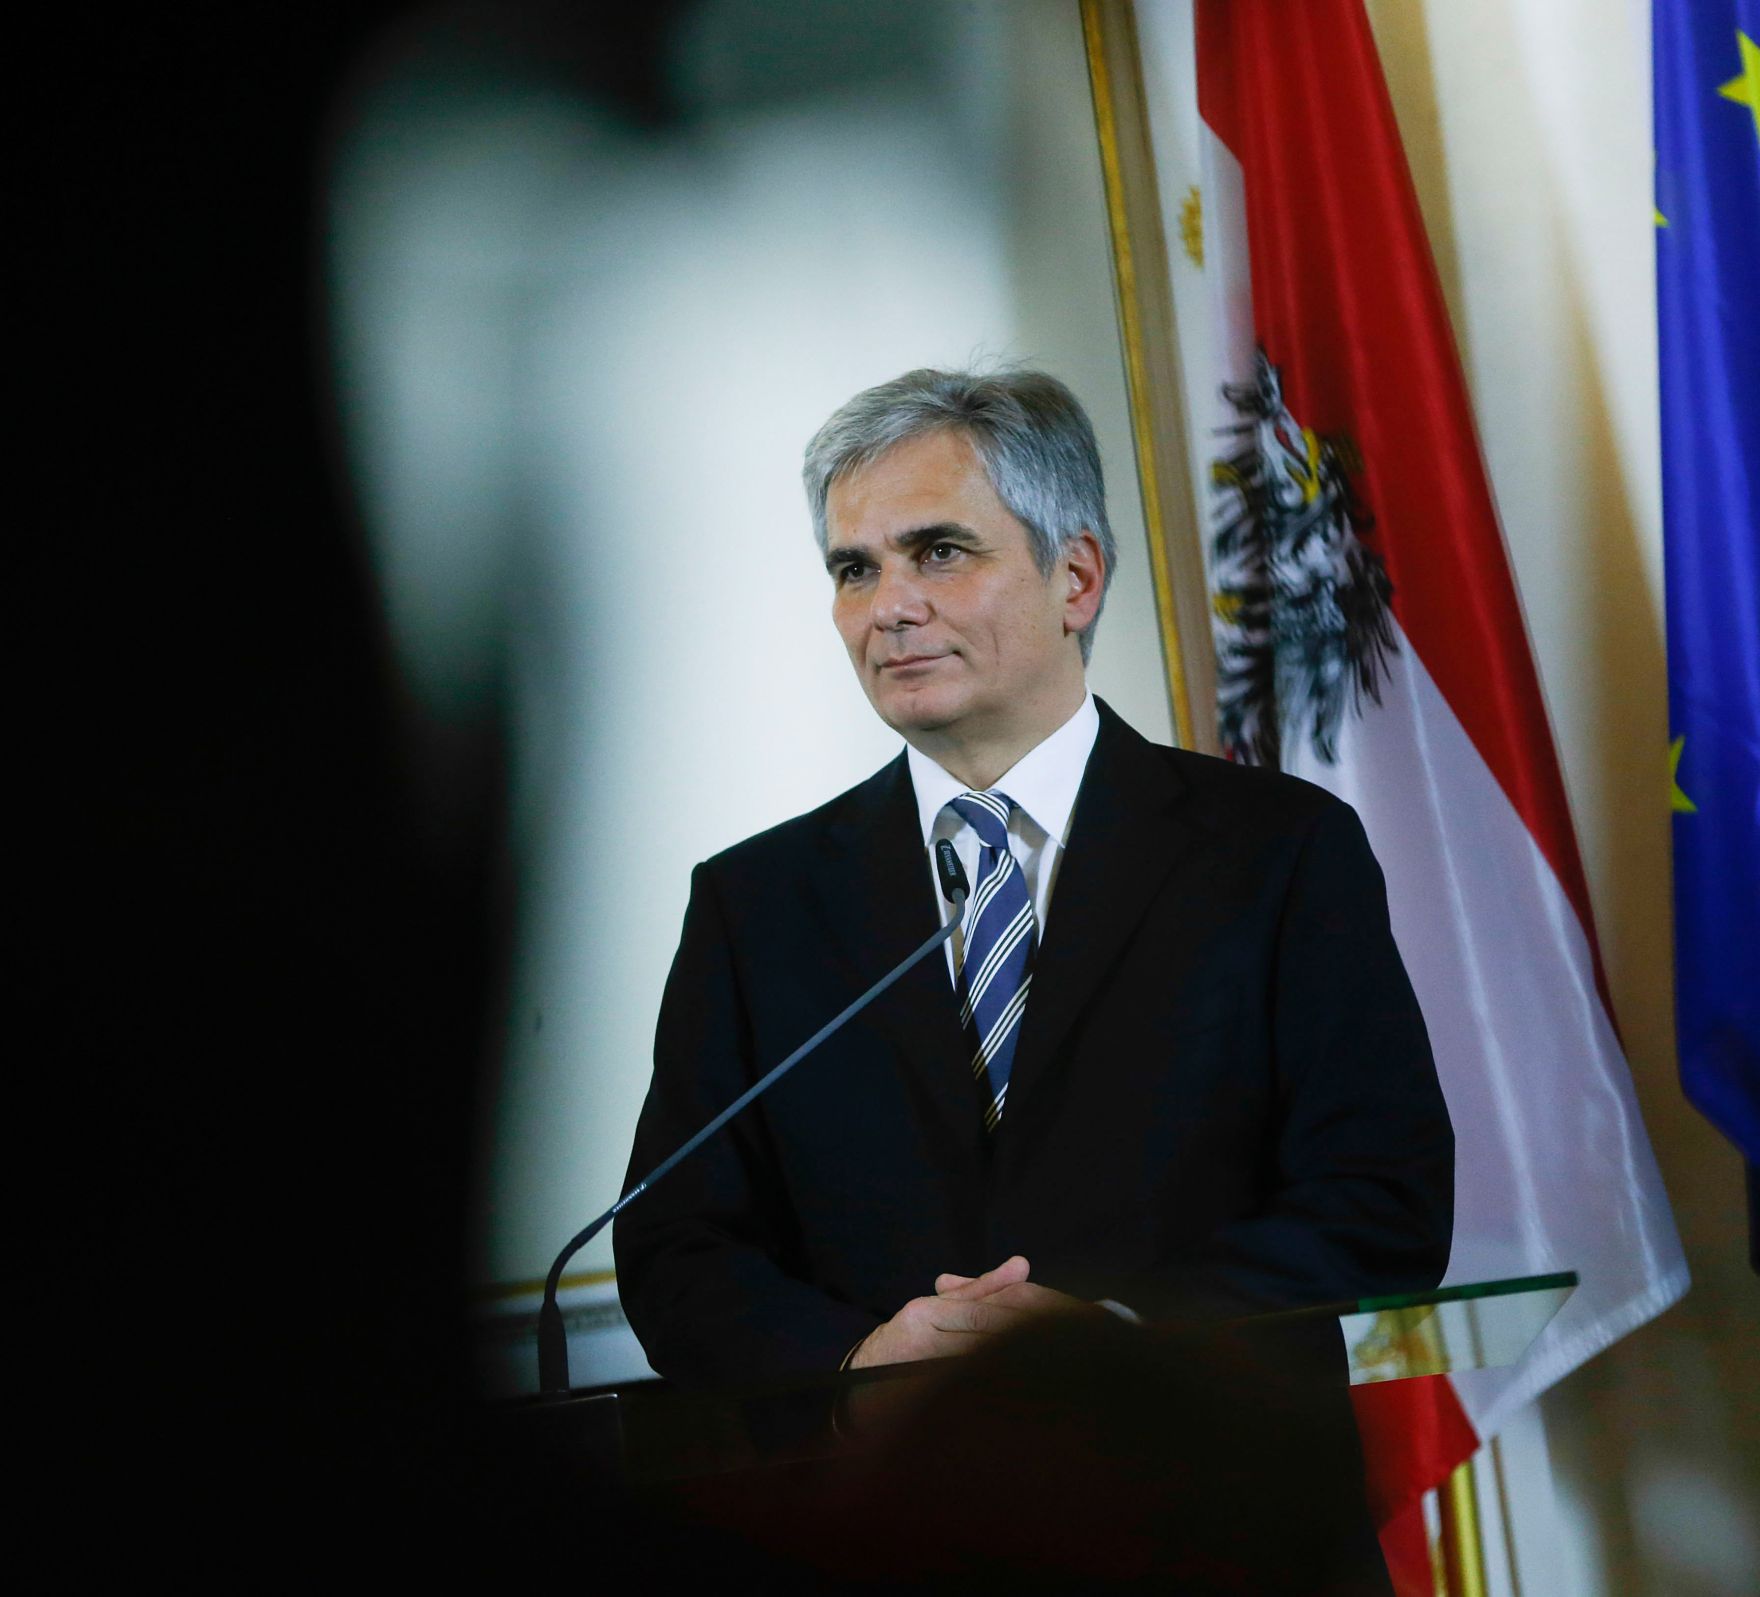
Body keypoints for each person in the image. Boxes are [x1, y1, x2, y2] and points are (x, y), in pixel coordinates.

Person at [613, 367, 1452, 1388]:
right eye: (854, 569)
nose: (890, 608)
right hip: (884, 1480)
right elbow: (676, 1242)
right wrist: (855, 1365)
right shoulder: (756, 903)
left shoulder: (1276, 850)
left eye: (939, 552)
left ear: (1076, 578)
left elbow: (1381, 1198)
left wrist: (1119, 1337)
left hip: (1209, 1460)